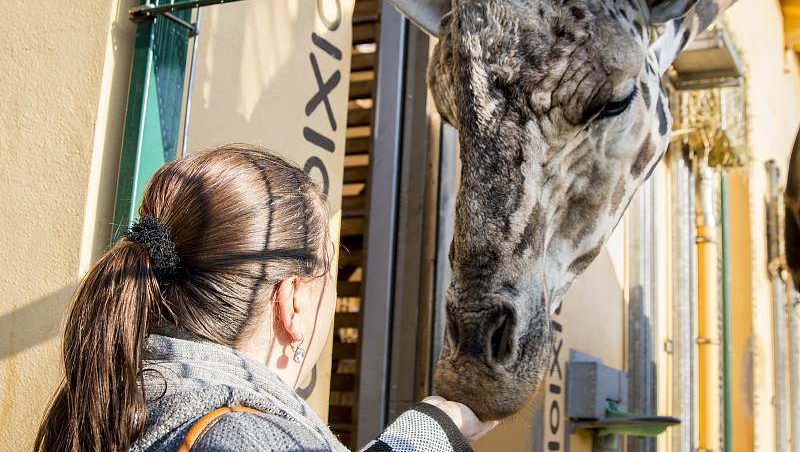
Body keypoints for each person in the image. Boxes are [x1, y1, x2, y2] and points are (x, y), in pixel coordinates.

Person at [35, 144, 497, 452]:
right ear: (292, 302)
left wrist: (435, 427)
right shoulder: (234, 434)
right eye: (329, 269)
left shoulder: (126, 400)